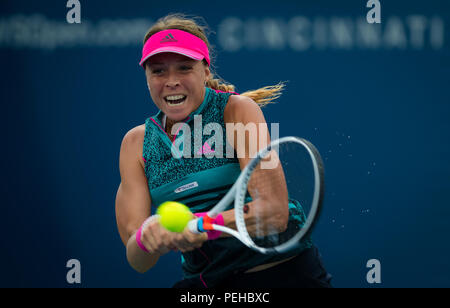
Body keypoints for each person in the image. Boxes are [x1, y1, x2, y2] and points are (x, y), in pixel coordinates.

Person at [115, 13, 332, 288]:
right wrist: (150, 237)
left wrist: (200, 226)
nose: (171, 81)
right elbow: (137, 260)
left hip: (281, 275)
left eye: (184, 67)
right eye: (158, 70)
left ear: (205, 71)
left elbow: (274, 214)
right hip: (207, 284)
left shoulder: (237, 111)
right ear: (146, 76)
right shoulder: (135, 144)